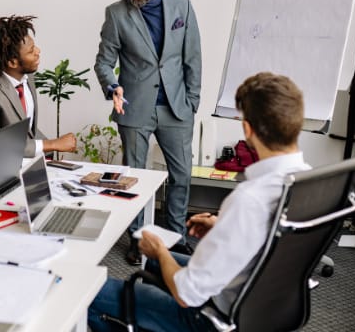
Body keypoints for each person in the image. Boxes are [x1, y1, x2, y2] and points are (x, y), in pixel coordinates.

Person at [88, 72, 311, 332]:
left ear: (247, 129)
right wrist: (225, 225)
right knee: (156, 264)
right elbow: (275, 238)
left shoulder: (248, 198)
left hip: (208, 318)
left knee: (84, 288)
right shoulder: (308, 181)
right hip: (260, 303)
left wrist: (159, 249)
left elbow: (186, 294)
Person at [94, 0, 202, 264]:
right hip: (135, 107)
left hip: (176, 107)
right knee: (136, 178)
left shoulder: (182, 7)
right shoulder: (116, 13)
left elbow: (192, 58)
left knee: (181, 175)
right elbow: (104, 61)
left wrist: (192, 101)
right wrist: (112, 86)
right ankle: (139, 239)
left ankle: (176, 237)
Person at [0, 15, 77, 159]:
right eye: (31, 51)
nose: (38, 51)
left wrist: (49, 152)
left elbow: (27, 130)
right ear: (12, 62)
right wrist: (51, 144)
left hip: (24, 162)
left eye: (34, 46)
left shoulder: (25, 73)